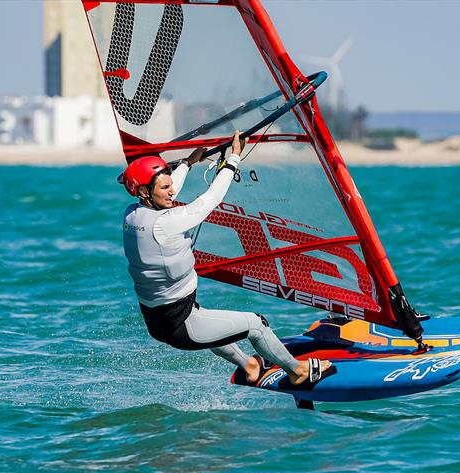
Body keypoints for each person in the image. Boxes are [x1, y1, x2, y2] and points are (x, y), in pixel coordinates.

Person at [120, 131, 333, 386]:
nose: (171, 191)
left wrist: (187, 163)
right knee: (256, 325)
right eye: (165, 188)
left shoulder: (133, 214)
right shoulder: (165, 224)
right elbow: (210, 200)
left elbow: (163, 190)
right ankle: (298, 371)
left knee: (210, 326)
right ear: (144, 191)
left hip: (159, 320)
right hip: (181, 323)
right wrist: (233, 159)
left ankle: (249, 366)